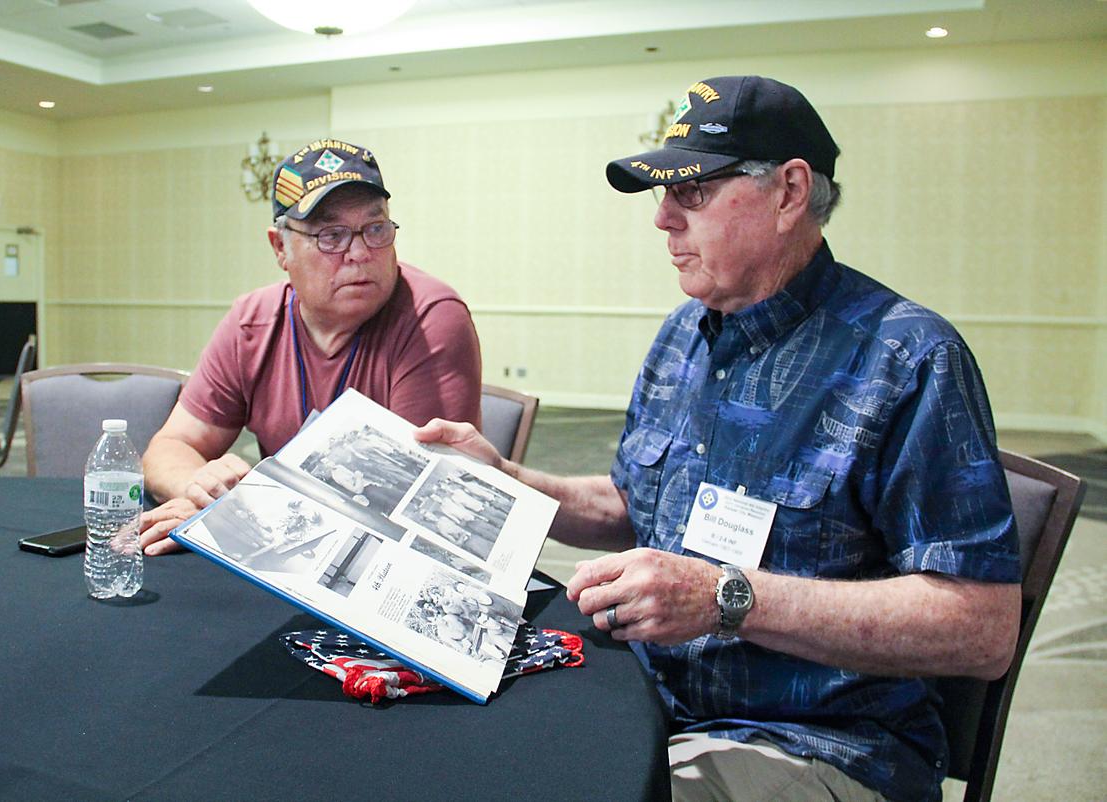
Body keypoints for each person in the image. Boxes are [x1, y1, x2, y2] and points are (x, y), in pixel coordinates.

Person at [416, 76, 1020, 802]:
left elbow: (981, 629)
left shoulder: (908, 358)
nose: (663, 219)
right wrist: (507, 476)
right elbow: (631, 506)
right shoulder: (686, 334)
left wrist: (729, 597)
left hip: (816, 743)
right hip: (648, 703)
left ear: (790, 192)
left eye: (693, 191)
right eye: (661, 195)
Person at [140, 138, 482, 555]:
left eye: (375, 229)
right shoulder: (253, 322)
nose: (358, 253)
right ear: (281, 248)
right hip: (292, 550)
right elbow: (170, 447)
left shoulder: (431, 318)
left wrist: (240, 515)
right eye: (331, 236)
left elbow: (410, 507)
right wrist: (201, 491)